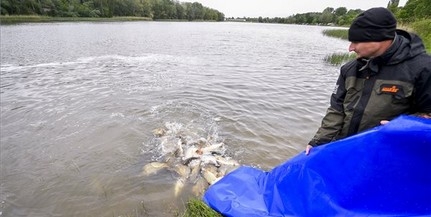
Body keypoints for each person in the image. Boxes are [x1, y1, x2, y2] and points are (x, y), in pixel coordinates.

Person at [306, 7, 431, 155]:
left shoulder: (423, 68)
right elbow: (336, 111)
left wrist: (403, 126)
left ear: (379, 39)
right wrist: (318, 142)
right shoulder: (349, 69)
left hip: (387, 155)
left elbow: (428, 116)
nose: (350, 48)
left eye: (356, 42)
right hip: (347, 150)